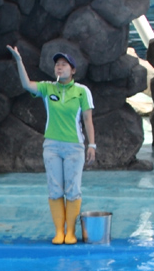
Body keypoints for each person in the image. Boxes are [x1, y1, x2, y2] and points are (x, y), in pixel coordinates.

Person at [7, 46, 96, 245]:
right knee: (55, 189)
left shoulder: (82, 91)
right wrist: (19, 61)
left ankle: (70, 231)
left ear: (73, 70)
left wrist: (92, 145)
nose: (59, 67)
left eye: (64, 65)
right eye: (57, 65)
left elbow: (88, 120)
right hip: (52, 147)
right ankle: (59, 231)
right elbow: (27, 85)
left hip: (74, 147)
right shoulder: (48, 88)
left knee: (73, 189)